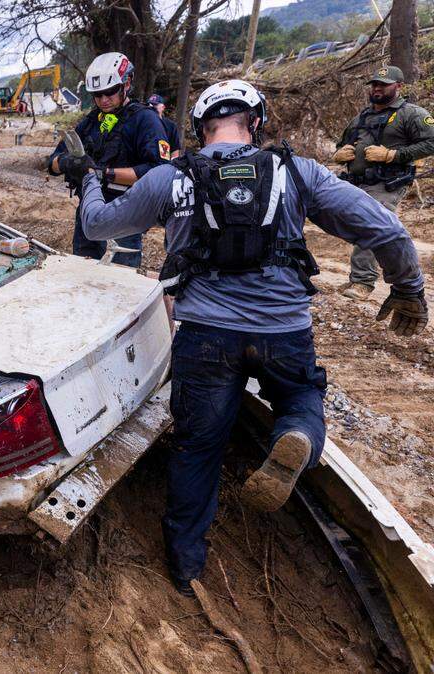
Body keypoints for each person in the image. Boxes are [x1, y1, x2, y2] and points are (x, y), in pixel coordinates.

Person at [61, 79, 427, 596]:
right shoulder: (296, 171)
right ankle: (292, 435)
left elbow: (98, 227)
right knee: (301, 397)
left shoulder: (171, 177)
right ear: (255, 122)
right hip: (284, 331)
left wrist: (89, 178)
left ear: (198, 129)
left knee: (197, 447)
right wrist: (409, 288)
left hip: (205, 335)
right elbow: (385, 230)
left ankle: (186, 569)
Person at [48, 52, 170, 268]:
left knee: (119, 283)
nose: (103, 100)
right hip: (88, 213)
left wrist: (101, 173)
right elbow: (52, 163)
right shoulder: (92, 121)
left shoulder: (145, 120)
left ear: (127, 83)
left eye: (110, 92)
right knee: (82, 276)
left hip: (124, 216)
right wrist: (68, 163)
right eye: (97, 94)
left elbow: (159, 172)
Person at [331, 65, 434, 300]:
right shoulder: (362, 117)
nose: (377, 88)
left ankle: (362, 283)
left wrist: (392, 156)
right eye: (375, 84)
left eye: (384, 84)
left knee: (370, 224)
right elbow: (342, 143)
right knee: (358, 226)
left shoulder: (412, 114)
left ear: (398, 86)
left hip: (388, 183)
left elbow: (431, 143)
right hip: (355, 182)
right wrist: (339, 153)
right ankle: (395, 265)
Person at [148, 94, 182, 158]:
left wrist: (172, 166)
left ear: (163, 107)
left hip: (164, 162)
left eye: (155, 105)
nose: (152, 107)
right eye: (150, 105)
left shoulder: (170, 126)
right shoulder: (144, 123)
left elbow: (175, 150)